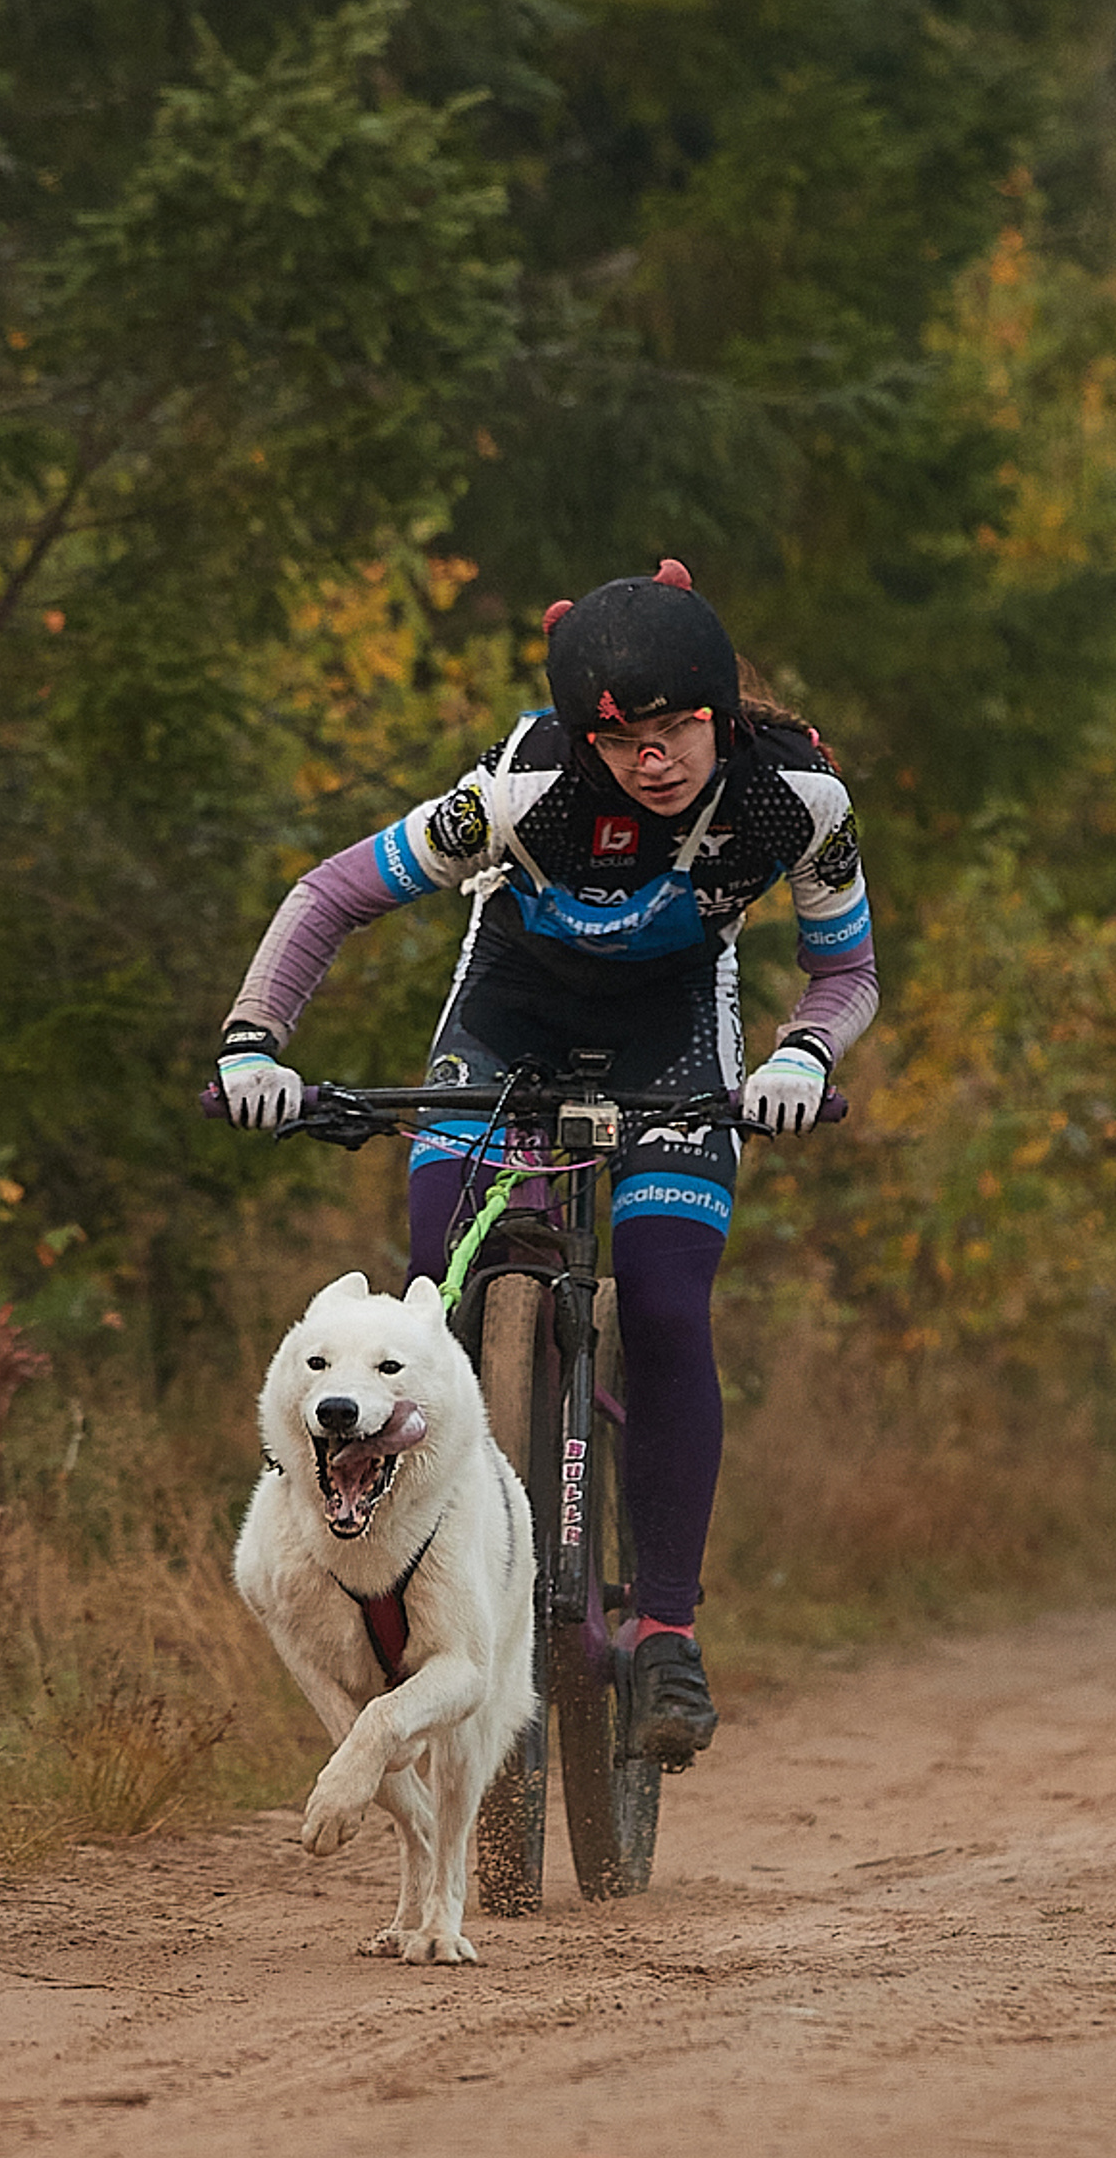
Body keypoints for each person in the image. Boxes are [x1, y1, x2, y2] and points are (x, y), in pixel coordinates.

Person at [214, 560, 875, 1764]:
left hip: (676, 1035)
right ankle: (437, 1607)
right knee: (434, 1294)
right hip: (503, 1025)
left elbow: (845, 972)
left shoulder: (799, 800)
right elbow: (331, 896)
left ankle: (667, 1629)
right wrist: (255, 1042)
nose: (656, 760)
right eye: (623, 742)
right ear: (584, 740)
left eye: (678, 728)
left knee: (669, 1304)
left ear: (720, 714)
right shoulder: (524, 791)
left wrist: (804, 1058)